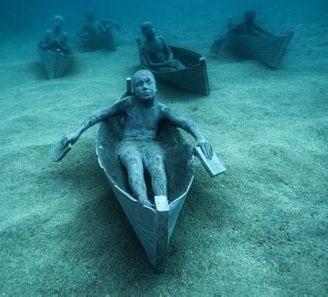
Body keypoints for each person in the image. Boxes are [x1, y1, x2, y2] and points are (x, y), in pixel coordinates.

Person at [53, 70, 213, 207]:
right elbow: (100, 114)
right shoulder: (128, 104)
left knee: (157, 163)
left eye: (148, 82)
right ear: (133, 90)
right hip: (128, 144)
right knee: (134, 163)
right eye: (139, 84)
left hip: (150, 143)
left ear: (155, 87)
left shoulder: (160, 109)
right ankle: (143, 201)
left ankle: (162, 203)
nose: (144, 87)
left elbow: (185, 121)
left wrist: (200, 137)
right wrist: (77, 132)